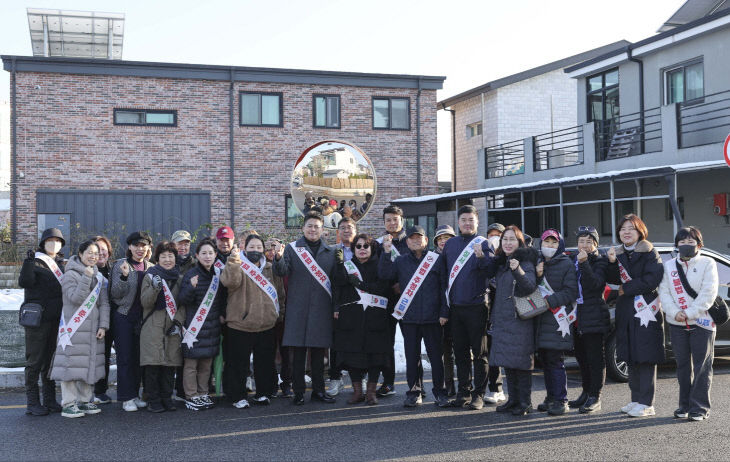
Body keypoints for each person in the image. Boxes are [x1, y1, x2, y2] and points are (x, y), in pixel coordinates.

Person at [379, 226, 450, 408]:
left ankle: (440, 392)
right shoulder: (401, 261)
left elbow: (444, 288)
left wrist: (444, 312)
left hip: (433, 318)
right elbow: (384, 275)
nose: (416, 240)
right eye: (412, 238)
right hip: (409, 318)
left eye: (420, 237)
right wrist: (386, 253)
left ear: (426, 240)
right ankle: (413, 392)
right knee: (412, 358)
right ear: (407, 242)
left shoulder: (436, 260)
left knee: (436, 358)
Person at [273, 211, 337, 405]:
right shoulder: (292, 249)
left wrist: (336, 307)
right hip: (298, 310)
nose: (312, 229)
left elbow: (335, 283)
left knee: (319, 356)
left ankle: (319, 391)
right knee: (298, 355)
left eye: (316, 226)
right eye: (309, 226)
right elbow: (281, 271)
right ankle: (299, 392)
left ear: (322, 230)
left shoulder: (331, 252)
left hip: (321, 309)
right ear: (303, 228)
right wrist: (278, 257)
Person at [606, 214, 664, 418]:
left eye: (631, 228)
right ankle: (636, 399)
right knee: (630, 354)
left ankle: (647, 403)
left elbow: (652, 280)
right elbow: (612, 280)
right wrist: (612, 263)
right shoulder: (617, 254)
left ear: (640, 231)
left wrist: (626, 288)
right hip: (625, 311)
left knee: (646, 356)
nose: (626, 232)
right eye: (623, 229)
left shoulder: (650, 252)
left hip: (646, 310)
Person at [659, 226, 718, 421]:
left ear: (699, 244)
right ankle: (684, 405)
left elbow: (708, 293)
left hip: (702, 322)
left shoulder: (707, 263)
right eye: (682, 242)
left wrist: (690, 312)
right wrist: (675, 312)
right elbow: (664, 292)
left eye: (691, 242)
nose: (686, 245)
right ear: (676, 245)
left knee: (702, 366)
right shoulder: (668, 266)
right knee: (683, 366)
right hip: (676, 323)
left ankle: (699, 408)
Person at [221, 234, 285, 408]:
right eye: (251, 247)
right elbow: (229, 282)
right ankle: (237, 396)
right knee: (238, 364)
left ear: (263, 250)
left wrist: (279, 315)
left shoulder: (270, 268)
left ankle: (263, 393)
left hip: (266, 324)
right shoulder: (237, 265)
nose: (255, 250)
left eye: (258, 247)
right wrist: (233, 260)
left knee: (264, 362)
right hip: (241, 324)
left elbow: (279, 293)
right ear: (244, 249)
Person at [441, 206, 495, 410]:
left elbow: (491, 272)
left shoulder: (483, 243)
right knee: (461, 352)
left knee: (480, 353)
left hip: (477, 306)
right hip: (456, 307)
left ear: (477, 222)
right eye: (463, 219)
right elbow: (444, 277)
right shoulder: (451, 244)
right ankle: (463, 392)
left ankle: (478, 394)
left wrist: (482, 257)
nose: (467, 223)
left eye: (471, 220)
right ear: (458, 222)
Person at [50, 239, 110, 418]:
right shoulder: (71, 274)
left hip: (93, 329)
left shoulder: (99, 276)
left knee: (89, 364)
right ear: (81, 254)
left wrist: (104, 326)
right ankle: (68, 404)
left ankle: (84, 401)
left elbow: (104, 304)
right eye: (90, 252)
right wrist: (86, 277)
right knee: (71, 365)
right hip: (74, 329)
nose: (93, 256)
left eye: (96, 253)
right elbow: (75, 298)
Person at [333, 233, 389, 405]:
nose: (362, 249)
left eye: (366, 246)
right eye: (358, 246)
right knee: (352, 355)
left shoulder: (380, 265)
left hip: (375, 316)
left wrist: (360, 284)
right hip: (352, 317)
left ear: (372, 248)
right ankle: (357, 392)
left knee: (375, 355)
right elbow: (337, 285)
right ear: (354, 249)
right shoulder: (347, 266)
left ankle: (371, 392)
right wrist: (339, 265)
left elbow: (383, 287)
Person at [490, 225, 538, 416]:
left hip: (520, 320)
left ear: (520, 242)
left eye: (512, 239)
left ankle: (525, 402)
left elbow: (530, 287)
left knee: (522, 362)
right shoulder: (502, 262)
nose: (508, 243)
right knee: (508, 361)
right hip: (503, 319)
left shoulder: (525, 262)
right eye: (505, 239)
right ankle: (513, 399)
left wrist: (518, 270)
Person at [19, 227, 66, 416]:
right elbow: (25, 282)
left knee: (50, 361)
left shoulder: (61, 264)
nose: (53, 244)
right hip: (37, 320)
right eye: (50, 241)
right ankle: (32, 402)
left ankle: (49, 399)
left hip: (55, 319)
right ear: (43, 243)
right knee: (35, 361)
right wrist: (28, 262)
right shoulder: (35, 261)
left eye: (57, 241)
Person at [534, 229, 579, 416]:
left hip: (557, 318)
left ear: (559, 245)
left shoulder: (566, 263)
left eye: (554, 243)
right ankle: (551, 396)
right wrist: (537, 275)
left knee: (556, 361)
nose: (549, 246)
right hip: (540, 320)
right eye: (546, 243)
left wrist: (549, 301)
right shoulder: (538, 262)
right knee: (545, 360)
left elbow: (571, 292)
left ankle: (561, 399)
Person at [178, 238, 224, 411]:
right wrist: (191, 287)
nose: (207, 256)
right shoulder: (191, 274)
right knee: (191, 364)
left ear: (215, 255)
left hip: (212, 325)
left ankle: (203, 393)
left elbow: (221, 299)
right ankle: (191, 395)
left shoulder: (218, 274)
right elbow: (182, 300)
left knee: (206, 363)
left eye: (210, 253)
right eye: (203, 253)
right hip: (194, 326)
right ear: (197, 255)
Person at [110, 231, 153, 412]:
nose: (140, 249)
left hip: (143, 319)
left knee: (138, 358)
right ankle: (126, 397)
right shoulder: (121, 264)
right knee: (125, 357)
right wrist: (124, 277)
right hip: (124, 317)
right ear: (129, 247)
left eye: (143, 246)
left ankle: (135, 394)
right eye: (136, 245)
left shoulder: (151, 266)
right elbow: (115, 294)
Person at [140, 241, 185, 413]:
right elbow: (145, 302)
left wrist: (178, 322)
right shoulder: (150, 276)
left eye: (171, 256)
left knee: (169, 365)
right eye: (163, 256)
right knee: (152, 366)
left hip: (172, 327)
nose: (167, 260)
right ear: (157, 259)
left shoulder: (180, 278)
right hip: (152, 327)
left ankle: (167, 398)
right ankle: (153, 399)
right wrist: (156, 288)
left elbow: (182, 305)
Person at [569, 226, 610, 414]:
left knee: (595, 358)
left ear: (595, 244)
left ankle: (596, 396)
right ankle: (585, 392)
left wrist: (585, 263)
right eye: (581, 241)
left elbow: (595, 285)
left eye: (588, 241)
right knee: (581, 357)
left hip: (594, 314)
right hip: (576, 316)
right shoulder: (573, 260)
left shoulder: (600, 261)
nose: (584, 245)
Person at [375, 204, 410, 398]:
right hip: (386, 300)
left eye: (395, 219)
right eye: (388, 219)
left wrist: (403, 286)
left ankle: (415, 384)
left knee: (411, 343)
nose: (391, 222)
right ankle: (388, 382)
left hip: (408, 299)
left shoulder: (412, 241)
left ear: (401, 220)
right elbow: (377, 272)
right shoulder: (379, 244)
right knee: (386, 343)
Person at [327, 217, 358, 396]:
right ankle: (335, 379)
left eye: (350, 227)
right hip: (339, 302)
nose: (347, 230)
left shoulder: (363, 247)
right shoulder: (332, 251)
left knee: (359, 342)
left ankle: (359, 378)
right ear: (338, 231)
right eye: (343, 228)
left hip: (361, 302)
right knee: (337, 343)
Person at [266, 238, 293, 398]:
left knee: (286, 352)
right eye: (269, 247)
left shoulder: (287, 266)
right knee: (269, 352)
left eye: (276, 247)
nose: (272, 251)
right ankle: (271, 384)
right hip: (268, 315)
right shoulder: (260, 268)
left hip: (286, 314)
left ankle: (287, 383)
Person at [170, 229, 194, 402]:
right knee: (172, 351)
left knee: (188, 353)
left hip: (192, 313)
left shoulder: (195, 263)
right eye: (180, 243)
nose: (183, 247)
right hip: (170, 313)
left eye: (186, 243)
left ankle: (184, 390)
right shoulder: (167, 262)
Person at [91, 235, 115, 405]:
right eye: (97, 250)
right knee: (93, 356)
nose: (101, 253)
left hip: (112, 321)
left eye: (104, 250)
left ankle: (101, 390)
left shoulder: (115, 270)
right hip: (91, 321)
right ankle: (88, 390)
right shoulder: (86, 270)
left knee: (105, 356)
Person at [484, 223, 506, 404]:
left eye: (498, 235)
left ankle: (497, 387)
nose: (494, 238)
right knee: (486, 349)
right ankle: (488, 386)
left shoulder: (508, 257)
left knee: (498, 349)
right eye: (491, 235)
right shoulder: (484, 256)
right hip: (484, 309)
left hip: (503, 311)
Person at [433, 225, 456, 397]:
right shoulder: (430, 259)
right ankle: (444, 386)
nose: (443, 242)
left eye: (446, 238)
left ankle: (457, 386)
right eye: (440, 239)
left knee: (453, 352)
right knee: (441, 351)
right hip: (436, 312)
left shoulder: (458, 257)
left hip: (456, 310)